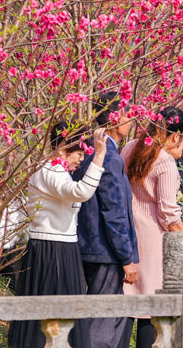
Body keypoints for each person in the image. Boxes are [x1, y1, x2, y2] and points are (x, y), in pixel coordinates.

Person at [7, 124, 107, 348]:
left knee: (61, 318)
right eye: (79, 154)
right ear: (63, 149)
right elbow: (80, 193)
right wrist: (99, 156)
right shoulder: (50, 169)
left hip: (61, 247)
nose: (80, 161)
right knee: (51, 318)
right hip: (51, 250)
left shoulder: (56, 170)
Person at [72, 92, 139, 348]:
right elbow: (114, 212)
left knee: (97, 315)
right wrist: (126, 257)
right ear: (113, 118)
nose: (131, 119)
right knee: (102, 319)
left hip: (88, 245)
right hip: (105, 250)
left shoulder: (88, 149)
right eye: (126, 113)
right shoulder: (109, 157)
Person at [120, 107, 183, 348]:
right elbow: (169, 213)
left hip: (126, 232)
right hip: (152, 238)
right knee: (151, 307)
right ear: (175, 136)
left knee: (126, 305)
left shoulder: (129, 148)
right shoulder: (166, 162)